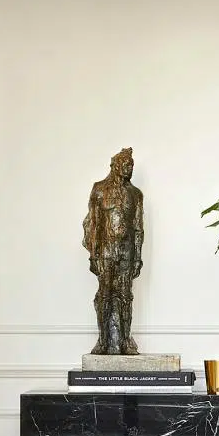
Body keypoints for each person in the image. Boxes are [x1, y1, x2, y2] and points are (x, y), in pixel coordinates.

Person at [83, 147, 144, 355]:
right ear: (116, 166)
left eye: (131, 165)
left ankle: (125, 340)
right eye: (126, 164)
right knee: (105, 294)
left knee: (125, 295)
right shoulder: (99, 189)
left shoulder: (136, 194)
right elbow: (93, 224)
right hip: (105, 252)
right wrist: (93, 255)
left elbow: (138, 228)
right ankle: (103, 340)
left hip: (127, 253)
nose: (129, 168)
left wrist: (137, 258)